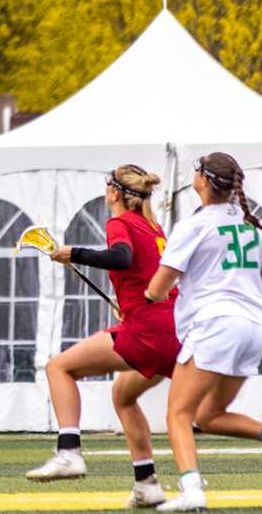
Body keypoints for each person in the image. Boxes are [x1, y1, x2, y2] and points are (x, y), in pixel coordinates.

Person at [24, 165, 178, 508]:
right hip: (170, 326)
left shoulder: (119, 222)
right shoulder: (154, 226)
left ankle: (69, 452)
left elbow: (122, 258)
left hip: (147, 331)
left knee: (58, 367)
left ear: (116, 192)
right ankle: (146, 483)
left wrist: (73, 253)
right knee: (123, 394)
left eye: (108, 185)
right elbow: (146, 274)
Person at [145, 153, 262, 512]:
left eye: (197, 170)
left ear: (206, 182)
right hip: (253, 327)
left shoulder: (194, 225)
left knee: (178, 414)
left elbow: (158, 287)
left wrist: (148, 299)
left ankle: (191, 490)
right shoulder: (251, 224)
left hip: (215, 325)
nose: (193, 174)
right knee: (209, 416)